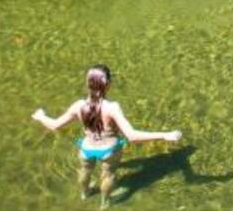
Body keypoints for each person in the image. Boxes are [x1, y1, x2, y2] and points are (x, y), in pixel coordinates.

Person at [32, 65, 181, 206]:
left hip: (86, 149)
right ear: (108, 84)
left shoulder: (78, 105)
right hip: (108, 151)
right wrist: (164, 135)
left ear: (87, 83)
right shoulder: (112, 108)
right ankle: (105, 202)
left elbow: (54, 125)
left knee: (85, 170)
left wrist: (41, 117)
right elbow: (132, 136)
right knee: (108, 175)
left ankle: (85, 193)